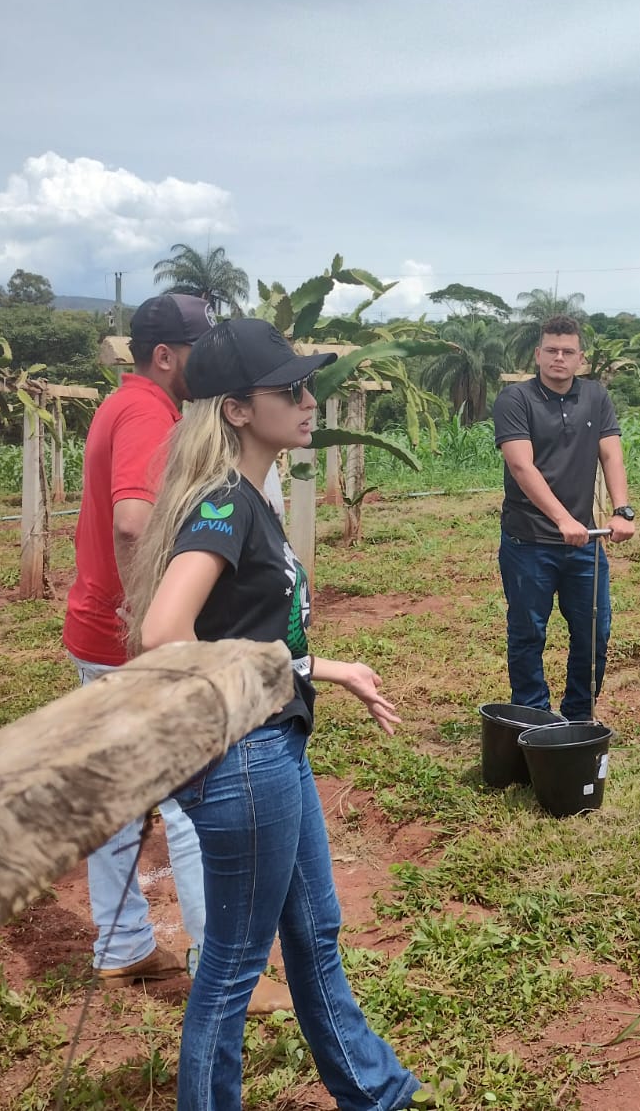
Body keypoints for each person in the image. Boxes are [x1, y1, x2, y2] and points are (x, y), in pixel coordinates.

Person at [127, 319, 433, 1111]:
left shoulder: (248, 495)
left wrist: (323, 667)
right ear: (235, 409)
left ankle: (376, 1090)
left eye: (308, 387)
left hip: (272, 752)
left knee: (314, 932)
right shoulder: (226, 505)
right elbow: (165, 634)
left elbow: (243, 637)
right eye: (289, 391)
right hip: (245, 762)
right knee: (230, 968)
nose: (307, 402)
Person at [63, 292, 213, 986]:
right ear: (164, 355)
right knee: (190, 798)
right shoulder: (149, 413)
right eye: (196, 351)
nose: (204, 363)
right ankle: (223, 968)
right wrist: (151, 631)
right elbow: (132, 522)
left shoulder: (124, 405)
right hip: (125, 640)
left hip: (96, 630)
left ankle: (122, 948)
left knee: (120, 795)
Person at [492, 315, 635, 721]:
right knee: (528, 633)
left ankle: (577, 717)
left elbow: (611, 454)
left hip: (584, 544)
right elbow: (522, 467)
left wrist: (622, 509)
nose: (559, 357)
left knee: (594, 633)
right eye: (551, 350)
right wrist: (561, 519)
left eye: (567, 351)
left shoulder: (595, 397)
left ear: (580, 359)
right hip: (528, 542)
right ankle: (534, 717)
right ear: (538, 355)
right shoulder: (516, 400)